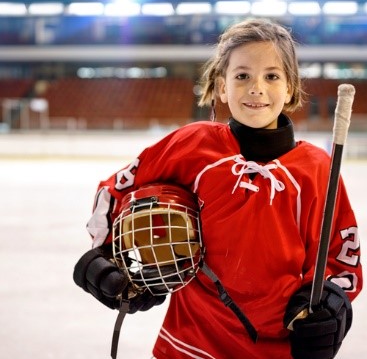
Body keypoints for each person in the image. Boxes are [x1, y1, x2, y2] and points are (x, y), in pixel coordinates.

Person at [73, 18, 363, 359]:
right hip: (191, 342)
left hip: (278, 346)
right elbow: (115, 191)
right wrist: (104, 257)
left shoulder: (317, 169)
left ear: (291, 89)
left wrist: (330, 299)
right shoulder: (192, 145)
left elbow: (342, 259)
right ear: (222, 87)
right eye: (242, 76)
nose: (256, 88)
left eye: (272, 76)